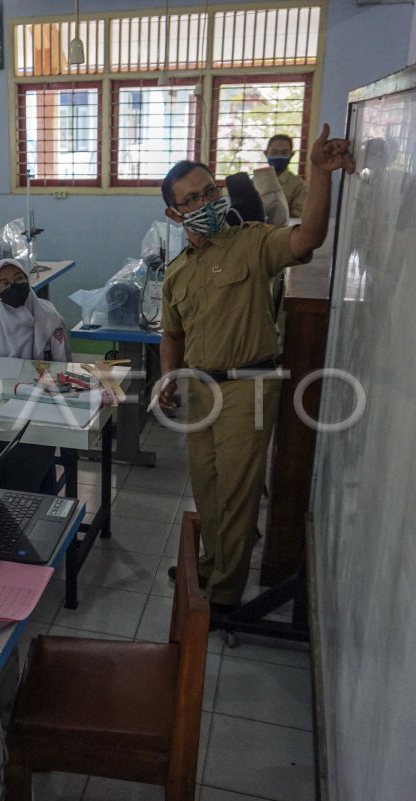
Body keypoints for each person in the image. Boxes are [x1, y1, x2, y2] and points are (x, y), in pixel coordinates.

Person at [156, 123, 354, 616]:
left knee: (239, 496)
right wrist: (166, 377)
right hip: (199, 388)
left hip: (248, 385)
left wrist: (319, 174)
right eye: (191, 199)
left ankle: (222, 596)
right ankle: (208, 565)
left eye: (210, 191)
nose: (205, 203)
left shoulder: (252, 242)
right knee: (208, 489)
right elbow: (172, 334)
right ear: (174, 212)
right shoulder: (178, 270)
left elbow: (308, 236)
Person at [0, 258, 70, 492]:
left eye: (18, 279)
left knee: (25, 466)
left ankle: (19, 511)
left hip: (41, 408)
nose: (12, 286)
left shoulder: (50, 319)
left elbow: (64, 368)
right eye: (3, 284)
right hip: (0, 406)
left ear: (27, 279)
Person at [265, 134, 308, 217]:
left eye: (284, 153)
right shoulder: (255, 181)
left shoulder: (298, 185)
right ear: (266, 153)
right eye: (274, 152)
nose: (279, 156)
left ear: (291, 155)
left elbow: (298, 216)